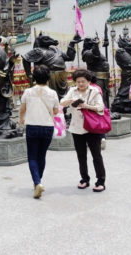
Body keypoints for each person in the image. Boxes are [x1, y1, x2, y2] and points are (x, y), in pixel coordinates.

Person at [61, 69, 106, 192]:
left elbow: (101, 107)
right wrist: (68, 101)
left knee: (96, 155)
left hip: (92, 127)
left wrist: (86, 106)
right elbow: (61, 103)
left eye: (83, 81)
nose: (80, 84)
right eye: (78, 81)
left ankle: (101, 180)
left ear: (88, 81)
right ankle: (84, 179)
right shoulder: (72, 91)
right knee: (81, 155)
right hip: (77, 128)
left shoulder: (95, 91)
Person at [19, 65, 59, 199]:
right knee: (42, 156)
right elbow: (55, 111)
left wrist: (21, 119)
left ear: (34, 78)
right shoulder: (53, 93)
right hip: (48, 126)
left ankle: (37, 182)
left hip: (32, 126)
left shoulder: (28, 92)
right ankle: (38, 182)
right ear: (48, 78)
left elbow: (22, 109)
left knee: (32, 157)